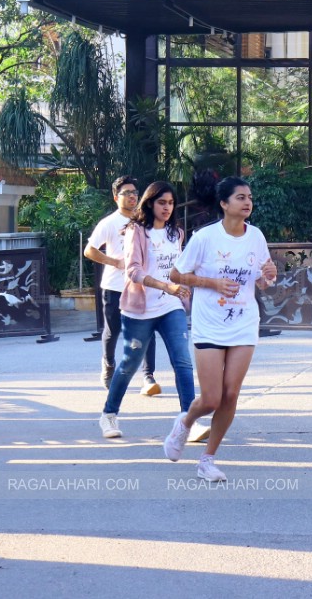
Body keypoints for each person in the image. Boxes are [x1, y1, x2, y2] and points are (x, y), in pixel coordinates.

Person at [165, 176, 277, 482]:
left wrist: (269, 274)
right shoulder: (205, 238)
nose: (247, 202)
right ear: (224, 204)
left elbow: (263, 280)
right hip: (209, 325)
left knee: (230, 395)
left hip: (243, 323)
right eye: (240, 197)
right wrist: (211, 283)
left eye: (249, 197)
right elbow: (177, 274)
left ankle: (207, 459)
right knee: (211, 398)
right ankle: (186, 422)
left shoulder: (255, 236)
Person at [98, 181, 196, 440]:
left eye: (171, 203)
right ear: (150, 203)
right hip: (141, 309)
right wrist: (167, 285)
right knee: (129, 365)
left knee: (183, 361)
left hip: (171, 306)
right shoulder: (136, 231)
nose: (167, 207)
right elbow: (133, 271)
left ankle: (189, 420)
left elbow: (178, 267)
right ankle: (108, 415)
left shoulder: (177, 233)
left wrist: (183, 284)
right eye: (162, 202)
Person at [84, 176, 159, 394]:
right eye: (127, 193)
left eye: (135, 192)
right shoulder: (108, 223)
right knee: (114, 329)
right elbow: (89, 250)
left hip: (142, 286)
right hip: (115, 286)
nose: (133, 196)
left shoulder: (146, 221)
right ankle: (108, 364)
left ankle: (148, 376)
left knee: (147, 330)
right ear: (116, 197)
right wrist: (115, 262)